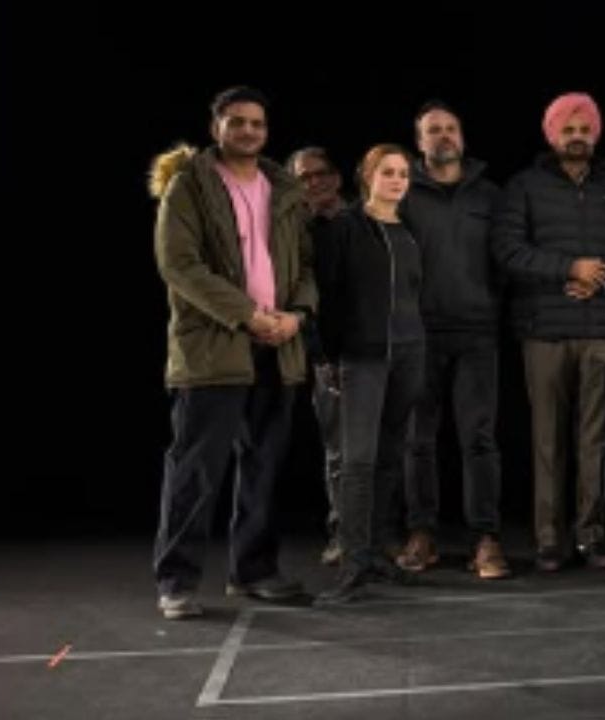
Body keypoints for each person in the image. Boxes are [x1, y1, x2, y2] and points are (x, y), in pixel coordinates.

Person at [148, 86, 316, 619]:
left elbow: (305, 264)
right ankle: (176, 582)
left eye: (257, 123)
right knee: (196, 470)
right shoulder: (190, 185)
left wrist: (297, 315)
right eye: (236, 121)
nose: (248, 131)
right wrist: (247, 314)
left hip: (277, 347)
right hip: (214, 347)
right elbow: (179, 265)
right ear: (216, 126)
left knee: (263, 467)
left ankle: (254, 571)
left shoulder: (283, 186)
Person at [491, 92, 605, 571]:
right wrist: (569, 269)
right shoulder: (523, 187)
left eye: (584, 129)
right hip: (544, 330)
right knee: (547, 440)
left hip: (601, 328)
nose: (577, 137)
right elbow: (508, 250)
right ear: (552, 134)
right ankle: (549, 540)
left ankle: (591, 536)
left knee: (596, 439)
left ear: (595, 134)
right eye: (568, 129)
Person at [397, 100, 509, 579]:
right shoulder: (404, 191)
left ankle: (485, 537)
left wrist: (488, 304)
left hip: (477, 332)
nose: (443, 136)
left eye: (451, 128)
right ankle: (421, 533)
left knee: (478, 438)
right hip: (418, 332)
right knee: (418, 440)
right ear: (419, 141)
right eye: (433, 130)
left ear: (461, 137)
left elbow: (505, 260)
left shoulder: (490, 195)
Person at [315, 144, 423, 604]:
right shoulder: (345, 228)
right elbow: (328, 296)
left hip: (408, 355)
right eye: (387, 172)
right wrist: (327, 357)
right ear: (367, 176)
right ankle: (353, 562)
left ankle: (377, 552)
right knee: (357, 461)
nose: (397, 181)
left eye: (403, 174)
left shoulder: (409, 231)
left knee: (389, 457)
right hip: (362, 358)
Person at [286, 146, 347, 566]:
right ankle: (343, 535)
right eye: (303, 178)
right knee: (339, 451)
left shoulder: (363, 221)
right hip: (325, 352)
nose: (314, 183)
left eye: (320, 174)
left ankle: (381, 535)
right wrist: (321, 357)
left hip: (374, 351)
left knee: (386, 450)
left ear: (337, 178)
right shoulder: (291, 233)